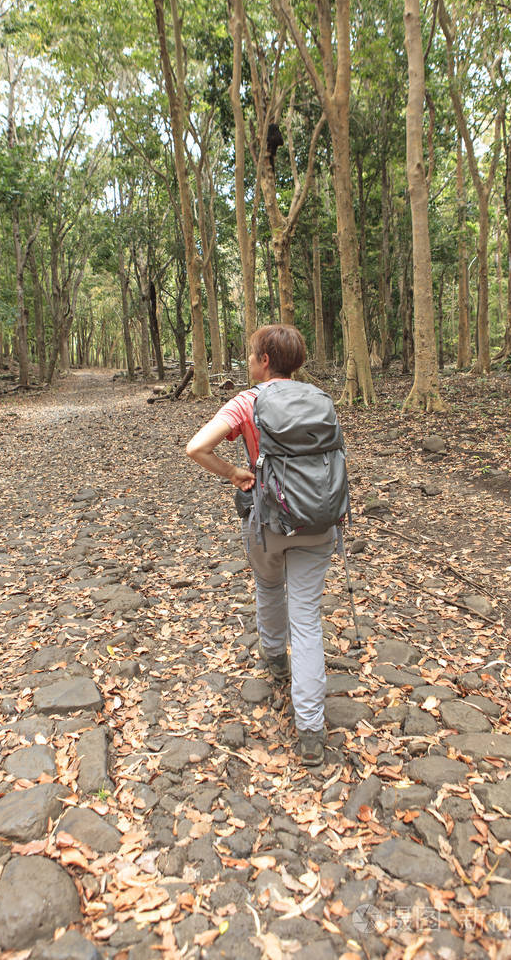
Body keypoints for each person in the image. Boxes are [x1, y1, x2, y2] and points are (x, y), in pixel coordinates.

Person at [186, 324, 335, 766]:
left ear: (264, 360)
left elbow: (196, 447)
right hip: (318, 521)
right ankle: (311, 731)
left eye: (251, 355)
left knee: (270, 587)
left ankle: (274, 658)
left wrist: (234, 473)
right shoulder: (319, 399)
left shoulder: (247, 402)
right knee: (307, 620)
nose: (248, 361)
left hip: (270, 521)